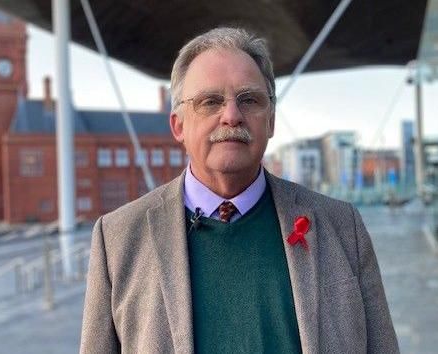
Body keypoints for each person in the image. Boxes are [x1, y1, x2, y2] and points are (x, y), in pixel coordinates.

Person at [80, 27, 399, 354]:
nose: (232, 115)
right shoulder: (118, 239)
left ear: (271, 120)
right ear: (178, 125)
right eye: (209, 101)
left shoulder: (343, 228)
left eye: (249, 100)